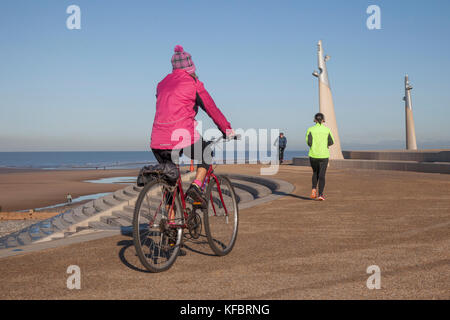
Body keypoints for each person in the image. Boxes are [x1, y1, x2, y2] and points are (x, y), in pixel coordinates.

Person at [150, 45, 234, 207]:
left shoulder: (161, 84)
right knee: (206, 152)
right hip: (180, 136)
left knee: (170, 182)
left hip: (157, 140)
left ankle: (170, 223)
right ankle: (196, 186)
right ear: (191, 67)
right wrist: (227, 130)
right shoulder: (194, 83)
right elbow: (212, 110)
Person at [305, 113, 334, 201]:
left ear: (315, 120)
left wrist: (314, 146)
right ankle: (320, 194)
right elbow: (331, 141)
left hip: (313, 155)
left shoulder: (310, 129)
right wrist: (325, 145)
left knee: (315, 172)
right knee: (322, 175)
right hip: (324, 155)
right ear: (323, 120)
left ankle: (314, 188)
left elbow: (308, 142)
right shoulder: (327, 130)